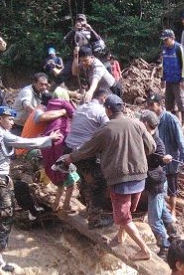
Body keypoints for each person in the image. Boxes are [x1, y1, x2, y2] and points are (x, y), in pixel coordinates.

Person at [66, 95, 155, 261]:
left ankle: (144, 250)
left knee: (122, 216)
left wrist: (70, 158)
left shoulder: (106, 129)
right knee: (127, 213)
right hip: (140, 177)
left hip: (121, 179)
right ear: (122, 108)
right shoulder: (137, 124)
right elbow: (151, 147)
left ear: (107, 110)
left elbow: (87, 149)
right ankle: (120, 237)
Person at [0, 106, 62, 272]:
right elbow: (25, 142)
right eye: (9, 119)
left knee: (20, 187)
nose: (12, 122)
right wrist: (50, 138)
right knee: (7, 214)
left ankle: (33, 211)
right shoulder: (1, 134)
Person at [65, 88, 112, 228]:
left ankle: (88, 210)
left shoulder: (80, 108)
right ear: (104, 98)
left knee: (86, 180)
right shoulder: (100, 111)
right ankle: (95, 219)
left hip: (71, 150)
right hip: (85, 152)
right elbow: (109, 130)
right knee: (100, 183)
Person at [146, 93, 184, 223]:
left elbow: (180, 139)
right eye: (148, 105)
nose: (150, 107)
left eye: (152, 105)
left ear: (160, 105)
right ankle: (156, 210)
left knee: (172, 188)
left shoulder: (171, 119)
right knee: (155, 187)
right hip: (156, 161)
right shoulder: (149, 120)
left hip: (171, 160)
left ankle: (173, 211)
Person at [139, 110, 177, 258]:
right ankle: (174, 236)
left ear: (146, 124)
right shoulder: (145, 137)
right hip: (154, 184)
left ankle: (165, 247)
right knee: (162, 212)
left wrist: (164, 160)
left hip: (157, 185)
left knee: (154, 220)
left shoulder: (157, 141)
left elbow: (160, 157)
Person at [39, 88, 77, 212]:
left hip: (48, 144)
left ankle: (56, 204)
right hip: (60, 145)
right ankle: (66, 205)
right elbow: (74, 114)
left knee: (59, 178)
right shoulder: (64, 104)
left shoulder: (49, 107)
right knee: (72, 180)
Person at [160, 29, 184, 125]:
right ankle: (174, 121)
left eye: (166, 39)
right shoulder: (164, 49)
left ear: (172, 38)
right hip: (168, 79)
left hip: (178, 80)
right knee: (169, 102)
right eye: (163, 40)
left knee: (181, 100)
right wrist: (162, 79)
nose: (164, 41)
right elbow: (163, 64)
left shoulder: (178, 48)